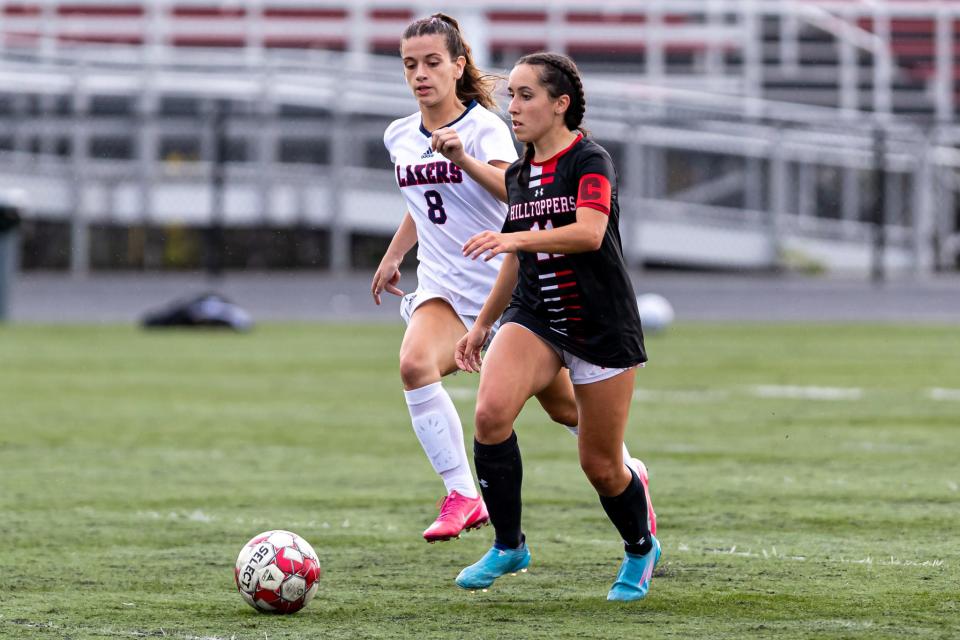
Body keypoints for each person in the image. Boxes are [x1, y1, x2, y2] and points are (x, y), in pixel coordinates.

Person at [374, 15, 592, 543]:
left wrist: (464, 158)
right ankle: (463, 494)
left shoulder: (485, 128)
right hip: (443, 290)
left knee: (569, 409)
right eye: (410, 64)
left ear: (458, 65)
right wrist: (394, 254)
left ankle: (628, 472)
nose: (421, 74)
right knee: (413, 364)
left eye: (432, 62)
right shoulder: (399, 135)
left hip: (507, 291)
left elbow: (513, 193)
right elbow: (423, 202)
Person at [450, 52, 659, 601]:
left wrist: (513, 237)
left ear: (559, 104)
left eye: (525, 96)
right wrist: (482, 326)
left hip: (600, 324)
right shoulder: (519, 173)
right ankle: (509, 544)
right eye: (510, 95)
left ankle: (640, 547)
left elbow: (588, 233)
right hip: (536, 316)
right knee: (491, 414)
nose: (512, 107)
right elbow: (516, 258)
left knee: (601, 465)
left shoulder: (591, 160)